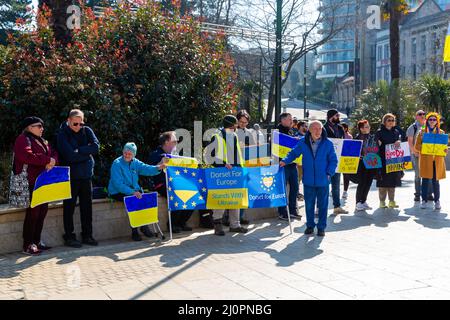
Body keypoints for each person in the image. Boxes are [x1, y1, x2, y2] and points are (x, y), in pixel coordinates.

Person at [280, 121, 338, 237]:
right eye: (315, 129)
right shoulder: (303, 142)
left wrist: (329, 173)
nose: (318, 131)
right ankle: (310, 226)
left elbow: (333, 160)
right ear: (310, 130)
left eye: (320, 129)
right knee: (309, 205)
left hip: (323, 180)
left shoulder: (328, 143)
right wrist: (284, 161)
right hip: (308, 180)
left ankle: (321, 227)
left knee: (323, 205)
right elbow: (293, 153)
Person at [13, 117, 58, 255]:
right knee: (33, 213)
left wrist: (53, 160)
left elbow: (53, 153)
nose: (42, 128)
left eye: (42, 126)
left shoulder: (41, 140)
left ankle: (37, 241)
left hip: (43, 181)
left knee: (42, 212)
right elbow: (26, 156)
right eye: (38, 126)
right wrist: (46, 160)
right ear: (29, 127)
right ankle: (28, 244)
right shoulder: (23, 139)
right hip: (31, 181)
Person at [56, 109, 99, 248]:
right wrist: (86, 152)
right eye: (75, 124)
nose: (79, 126)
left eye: (81, 123)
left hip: (86, 176)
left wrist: (78, 150)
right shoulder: (62, 135)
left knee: (87, 207)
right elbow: (69, 156)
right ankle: (69, 236)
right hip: (71, 178)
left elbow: (96, 147)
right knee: (69, 208)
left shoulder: (87, 130)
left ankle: (87, 235)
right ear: (68, 121)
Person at [108, 143, 166, 241]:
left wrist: (158, 168)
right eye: (125, 153)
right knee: (134, 200)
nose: (126, 155)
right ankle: (136, 232)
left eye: (129, 154)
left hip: (133, 190)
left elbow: (146, 168)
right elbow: (118, 184)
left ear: (134, 155)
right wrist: (132, 192)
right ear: (123, 152)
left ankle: (144, 226)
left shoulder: (135, 162)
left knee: (143, 199)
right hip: (117, 191)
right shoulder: (117, 163)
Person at [206, 115, 248, 236]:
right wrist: (223, 164)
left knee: (235, 198)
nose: (237, 127)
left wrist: (241, 169)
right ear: (231, 125)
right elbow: (209, 157)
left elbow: (237, 155)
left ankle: (235, 225)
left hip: (235, 173)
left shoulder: (234, 136)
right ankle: (217, 224)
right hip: (221, 173)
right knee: (221, 199)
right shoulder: (216, 137)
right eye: (235, 124)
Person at [149, 131, 194, 233]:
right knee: (177, 194)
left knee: (193, 193)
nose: (176, 143)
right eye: (174, 141)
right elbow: (151, 170)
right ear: (166, 142)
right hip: (162, 184)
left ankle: (181, 223)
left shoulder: (175, 155)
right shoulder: (156, 154)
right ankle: (172, 225)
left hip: (176, 183)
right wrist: (161, 162)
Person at [414, 112, 447, 210]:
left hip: (437, 161)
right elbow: (416, 146)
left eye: (434, 120)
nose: (432, 121)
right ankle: (424, 200)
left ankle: (437, 201)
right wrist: (425, 147)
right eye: (430, 119)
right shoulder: (422, 132)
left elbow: (444, 148)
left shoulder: (441, 132)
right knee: (424, 181)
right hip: (426, 160)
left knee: (435, 182)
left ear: (437, 122)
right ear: (427, 121)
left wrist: (445, 150)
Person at [276, 113, 301, 221]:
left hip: (292, 164)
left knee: (295, 188)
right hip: (282, 164)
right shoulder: (277, 132)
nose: (292, 121)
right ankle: (282, 212)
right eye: (289, 119)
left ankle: (293, 210)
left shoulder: (291, 131)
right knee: (282, 188)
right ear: (282, 120)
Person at [375, 113, 403, 209]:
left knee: (392, 181)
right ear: (384, 121)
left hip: (393, 160)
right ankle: (382, 202)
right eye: (389, 120)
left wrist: (399, 142)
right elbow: (375, 146)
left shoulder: (396, 132)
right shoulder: (379, 132)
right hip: (382, 160)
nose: (391, 122)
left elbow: (399, 145)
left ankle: (392, 201)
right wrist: (378, 143)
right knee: (383, 182)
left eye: (392, 120)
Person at [324, 109, 348, 214]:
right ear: (331, 116)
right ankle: (320, 207)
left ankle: (337, 207)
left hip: (337, 160)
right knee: (323, 185)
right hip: (325, 160)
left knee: (336, 185)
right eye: (337, 115)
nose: (338, 117)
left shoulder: (340, 128)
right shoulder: (323, 128)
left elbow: (343, 141)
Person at [407, 110, 431, 202]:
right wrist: (414, 152)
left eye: (424, 114)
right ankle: (417, 194)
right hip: (416, 155)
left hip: (427, 155)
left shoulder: (429, 126)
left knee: (428, 174)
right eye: (420, 114)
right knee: (418, 175)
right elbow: (410, 141)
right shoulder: (412, 127)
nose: (422, 115)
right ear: (416, 116)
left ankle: (429, 194)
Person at [354, 120, 378, 211]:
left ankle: (363, 201)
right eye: (366, 127)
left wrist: (378, 144)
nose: (369, 128)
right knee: (362, 182)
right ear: (361, 129)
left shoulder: (372, 137)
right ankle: (358, 202)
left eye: (369, 126)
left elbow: (376, 148)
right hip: (361, 162)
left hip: (372, 160)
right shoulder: (357, 138)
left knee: (369, 182)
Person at [341, 123, 353, 200]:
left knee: (346, 176)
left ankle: (345, 191)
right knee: (335, 174)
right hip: (338, 157)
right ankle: (333, 189)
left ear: (346, 128)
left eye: (343, 127)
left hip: (346, 157)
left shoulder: (349, 136)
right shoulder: (337, 134)